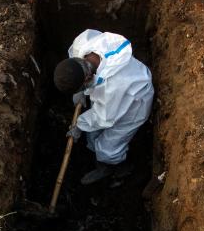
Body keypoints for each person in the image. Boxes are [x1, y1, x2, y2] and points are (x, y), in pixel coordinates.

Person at [53, 29, 154, 185]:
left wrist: (80, 125)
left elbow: (105, 117)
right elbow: (75, 60)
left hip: (134, 101)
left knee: (107, 150)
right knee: (93, 136)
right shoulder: (83, 45)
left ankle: (120, 168)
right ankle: (100, 160)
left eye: (81, 88)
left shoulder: (114, 87)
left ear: (86, 78)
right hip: (109, 95)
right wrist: (81, 92)